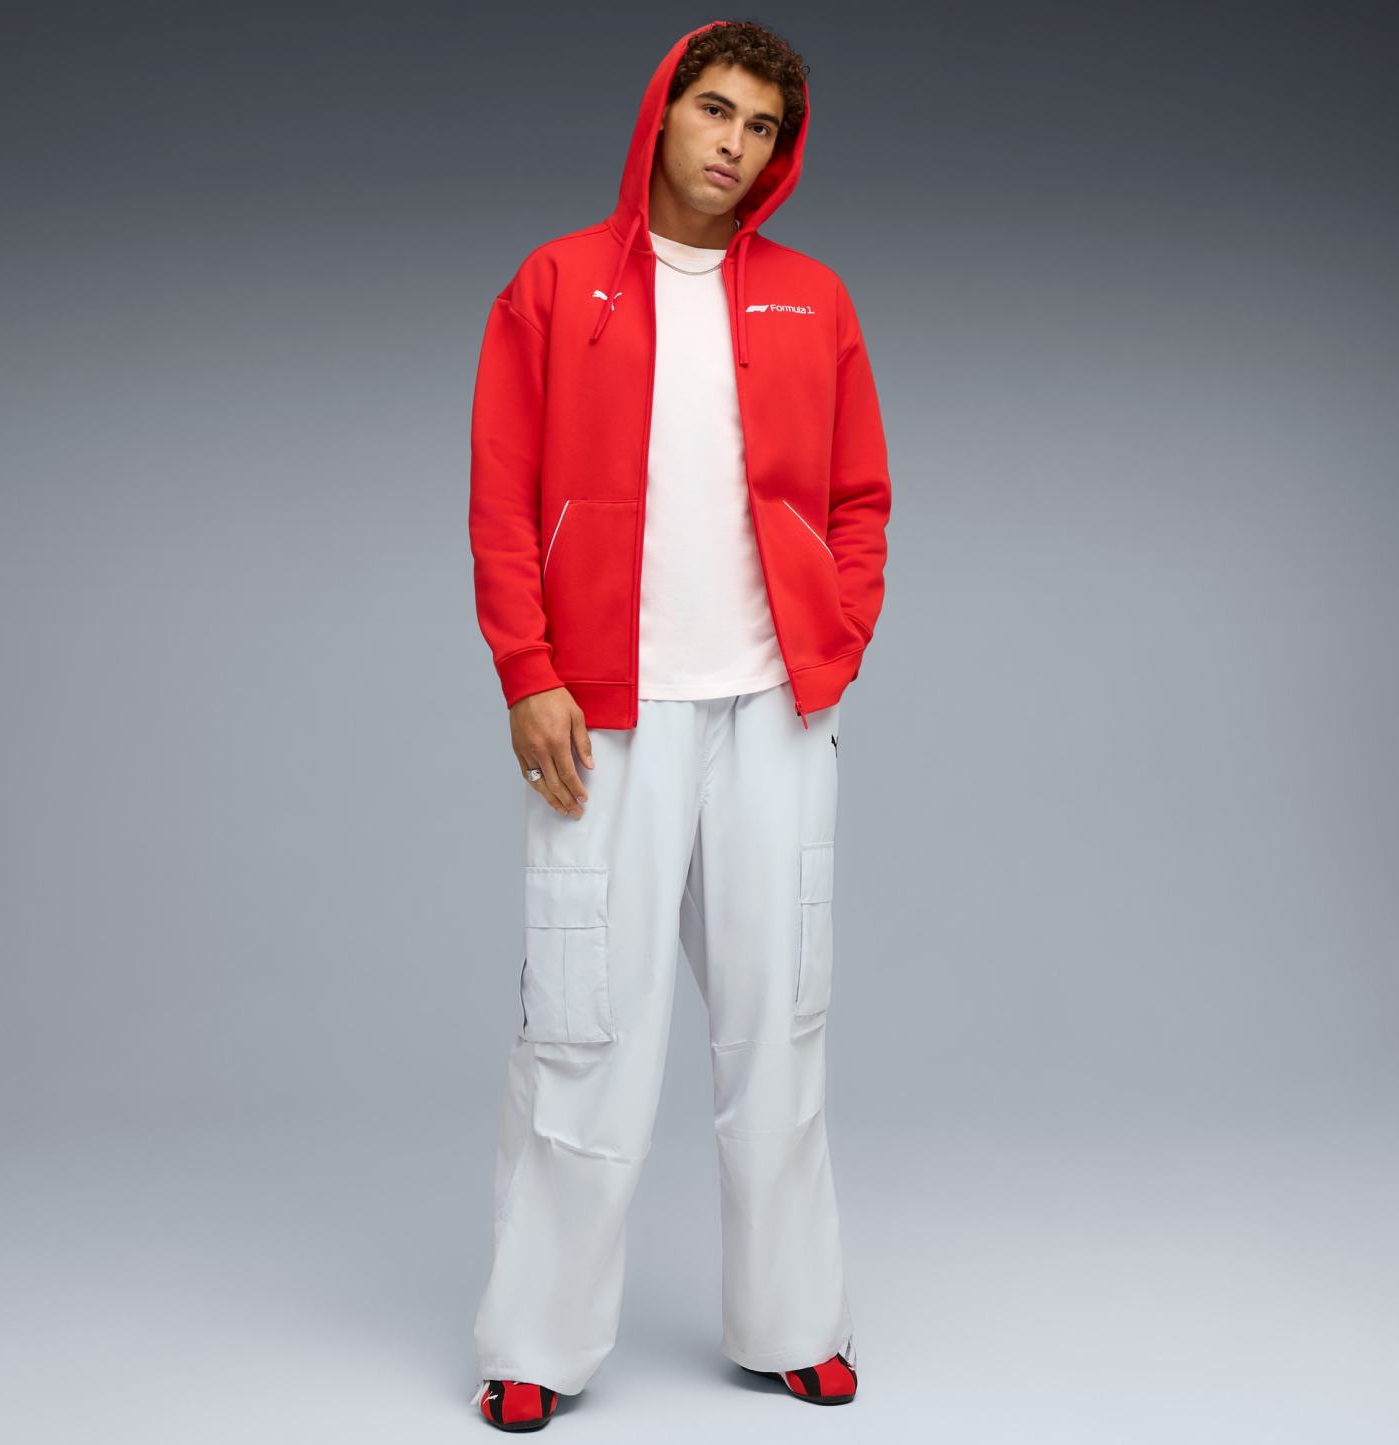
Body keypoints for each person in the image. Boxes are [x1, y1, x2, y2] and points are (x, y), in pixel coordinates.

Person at [466, 18, 891, 1431]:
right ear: (662, 113)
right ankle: (536, 1341)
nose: (733, 144)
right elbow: (501, 501)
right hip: (608, 717)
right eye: (714, 110)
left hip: (775, 714)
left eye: (762, 127)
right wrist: (527, 671)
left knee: (780, 1024)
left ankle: (794, 1322)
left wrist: (836, 635)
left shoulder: (814, 300)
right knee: (584, 1029)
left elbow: (859, 498)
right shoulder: (554, 284)